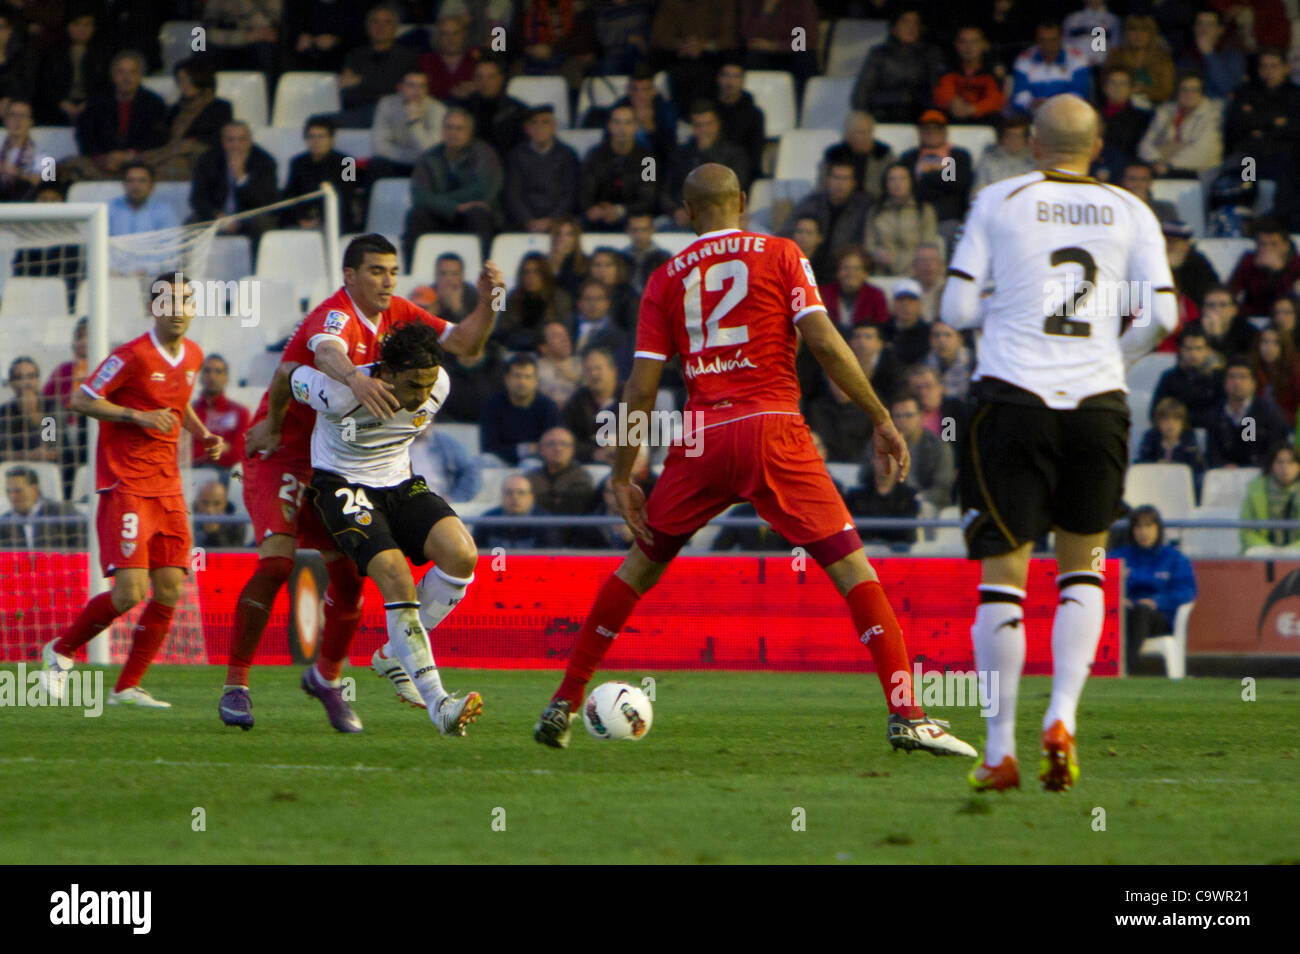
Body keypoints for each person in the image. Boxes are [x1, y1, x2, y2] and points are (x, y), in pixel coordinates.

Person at [533, 162, 977, 757]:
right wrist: (880, 416)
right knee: (852, 570)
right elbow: (822, 341)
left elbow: (639, 389)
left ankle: (563, 701)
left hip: (702, 439)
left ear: (688, 213)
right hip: (772, 428)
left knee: (639, 566)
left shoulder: (665, 277)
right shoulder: (783, 253)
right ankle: (907, 714)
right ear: (742, 202)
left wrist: (621, 474)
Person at [941, 92, 1180, 791]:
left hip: (1013, 401)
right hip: (1098, 406)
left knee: (1003, 581)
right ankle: (1065, 714)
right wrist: (1117, 360)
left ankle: (997, 748)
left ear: (1032, 147)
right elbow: (1163, 315)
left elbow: (955, 309)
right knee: (1085, 569)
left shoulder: (999, 199)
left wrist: (1002, 309)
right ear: (1098, 146)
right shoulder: (1132, 210)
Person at [230, 234, 504, 730]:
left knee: (355, 584)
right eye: (376, 270)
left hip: (380, 472)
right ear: (349, 276)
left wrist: (488, 304)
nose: (387, 280)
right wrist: (350, 383)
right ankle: (237, 683)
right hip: (293, 452)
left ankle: (328, 679)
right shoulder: (335, 317)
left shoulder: (403, 319)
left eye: (393, 271)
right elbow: (310, 361)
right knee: (276, 565)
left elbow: (464, 342)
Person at [278, 320, 482, 734]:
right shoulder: (338, 393)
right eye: (412, 386)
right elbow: (286, 374)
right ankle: (439, 703)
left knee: (463, 555)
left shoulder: (438, 384)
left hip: (399, 483)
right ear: (385, 373)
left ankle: (394, 655)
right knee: (395, 576)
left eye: (427, 385)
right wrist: (269, 424)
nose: (421, 396)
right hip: (342, 485)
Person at [40, 275, 228, 708]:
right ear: (154, 308)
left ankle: (128, 685)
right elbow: (82, 400)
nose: (178, 309)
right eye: (169, 302)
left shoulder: (194, 355)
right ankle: (61, 651)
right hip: (127, 486)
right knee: (129, 593)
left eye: (186, 300)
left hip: (169, 490)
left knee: (169, 589)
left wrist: (202, 434)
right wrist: (137, 416)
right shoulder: (132, 355)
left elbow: (177, 408)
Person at [404, 108, 502, 263]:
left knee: (479, 214)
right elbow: (420, 196)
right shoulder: (429, 157)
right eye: (449, 127)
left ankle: (483, 271)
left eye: (459, 128)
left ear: (470, 132)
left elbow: (482, 190)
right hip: (440, 216)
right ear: (442, 130)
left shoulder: (485, 154)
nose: (453, 133)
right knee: (417, 216)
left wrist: (441, 201)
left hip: (473, 216)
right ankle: (412, 271)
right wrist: (455, 207)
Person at [1112, 505, 1196, 673]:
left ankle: (1123, 670)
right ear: (1132, 531)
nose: (1144, 532)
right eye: (1138, 527)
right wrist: (1118, 597)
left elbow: (1186, 592)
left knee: (1142, 610)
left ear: (1158, 529)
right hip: (1123, 614)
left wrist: (1157, 602)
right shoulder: (1118, 556)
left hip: (1159, 618)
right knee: (1123, 611)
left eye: (1149, 526)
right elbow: (1101, 583)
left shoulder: (1174, 558)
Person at [66, 50, 167, 181]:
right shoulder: (96, 102)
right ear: (113, 76)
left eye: (132, 72)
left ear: (140, 75)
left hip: (140, 161)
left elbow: (157, 137)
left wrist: (128, 156)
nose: (127, 77)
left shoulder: (154, 103)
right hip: (102, 163)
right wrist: (102, 158)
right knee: (67, 168)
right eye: (121, 72)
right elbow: (85, 134)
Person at [136, 57, 234, 182]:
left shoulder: (220, 107)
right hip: (170, 153)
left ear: (200, 78)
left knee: (166, 168)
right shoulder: (176, 109)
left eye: (187, 79)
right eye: (180, 80)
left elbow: (218, 138)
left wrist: (186, 146)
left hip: (198, 156)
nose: (183, 84)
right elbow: (161, 135)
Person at [189, 121, 279, 244]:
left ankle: (259, 263)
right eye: (231, 140)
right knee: (192, 223)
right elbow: (197, 198)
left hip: (248, 218)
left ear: (250, 141)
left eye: (242, 140)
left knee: (263, 222)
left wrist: (241, 178)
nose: (236, 145)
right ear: (223, 141)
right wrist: (216, 216)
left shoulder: (265, 162)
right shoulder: (208, 160)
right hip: (217, 217)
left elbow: (265, 202)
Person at [851, 9, 945, 124]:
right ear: (893, 28)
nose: (911, 27)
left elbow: (935, 89)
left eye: (915, 23)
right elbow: (861, 93)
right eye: (906, 22)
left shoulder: (930, 53)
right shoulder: (878, 54)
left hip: (920, 117)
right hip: (881, 115)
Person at [862, 394, 954, 509]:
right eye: (897, 416)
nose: (902, 421)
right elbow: (865, 476)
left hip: (924, 505)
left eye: (908, 415)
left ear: (921, 416)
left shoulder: (938, 447)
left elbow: (943, 488)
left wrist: (917, 499)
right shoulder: (878, 443)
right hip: (883, 501)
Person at [335, 4, 419, 128]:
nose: (381, 27)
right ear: (367, 26)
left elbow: (403, 89)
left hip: (393, 112)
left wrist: (361, 81)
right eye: (375, 22)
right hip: (359, 111)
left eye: (387, 22)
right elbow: (348, 90)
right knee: (321, 121)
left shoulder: (408, 57)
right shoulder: (355, 55)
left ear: (395, 27)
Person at [579, 105, 657, 232]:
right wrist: (596, 208)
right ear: (609, 125)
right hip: (599, 217)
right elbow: (585, 192)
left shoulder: (648, 159)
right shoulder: (594, 156)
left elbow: (648, 198)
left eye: (628, 123)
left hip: (632, 217)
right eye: (617, 122)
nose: (622, 128)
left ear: (635, 126)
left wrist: (621, 211)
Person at [784, 157, 871, 270]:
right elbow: (786, 232)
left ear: (853, 183)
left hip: (843, 268)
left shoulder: (863, 207)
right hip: (808, 263)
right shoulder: (811, 203)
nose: (840, 183)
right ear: (828, 180)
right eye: (836, 178)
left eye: (845, 178)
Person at [503, 104, 580, 232]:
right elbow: (512, 193)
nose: (540, 127)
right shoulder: (516, 155)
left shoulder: (567, 155)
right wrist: (528, 220)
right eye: (534, 123)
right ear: (527, 128)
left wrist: (552, 219)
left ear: (553, 127)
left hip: (558, 219)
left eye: (545, 122)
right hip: (524, 221)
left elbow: (570, 194)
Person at [669, 100, 751, 218]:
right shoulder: (680, 154)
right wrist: (675, 210)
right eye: (698, 125)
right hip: (685, 215)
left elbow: (735, 188)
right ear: (692, 127)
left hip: (721, 215)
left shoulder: (735, 154)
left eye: (708, 124)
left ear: (718, 124)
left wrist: (706, 153)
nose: (704, 130)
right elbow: (668, 189)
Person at [479, 354, 562, 466]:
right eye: (517, 376)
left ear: (536, 380)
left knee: (532, 465)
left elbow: (551, 444)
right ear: (507, 379)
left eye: (527, 377)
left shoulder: (547, 407)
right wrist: (523, 449)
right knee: (483, 461)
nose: (522, 382)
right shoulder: (493, 405)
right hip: (501, 460)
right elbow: (489, 447)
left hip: (535, 461)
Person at [899, 110, 973, 235]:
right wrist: (941, 179)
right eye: (927, 129)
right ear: (920, 133)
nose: (931, 133)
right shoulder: (909, 157)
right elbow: (908, 187)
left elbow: (958, 185)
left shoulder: (957, 155)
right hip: (916, 213)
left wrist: (927, 177)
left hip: (947, 216)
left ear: (945, 132)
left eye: (937, 129)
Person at [32, 8, 110, 126]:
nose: (82, 29)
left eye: (87, 25)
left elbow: (105, 85)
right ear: (69, 27)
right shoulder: (53, 52)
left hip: (91, 106)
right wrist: (62, 103)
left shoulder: (103, 54)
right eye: (77, 24)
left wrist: (88, 104)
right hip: (58, 106)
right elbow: (45, 83)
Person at [1206, 358, 1287, 468]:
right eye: (1232, 377)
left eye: (1243, 377)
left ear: (1254, 384)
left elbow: (1276, 447)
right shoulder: (1216, 413)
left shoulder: (1268, 412)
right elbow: (1212, 451)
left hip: (1261, 472)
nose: (1237, 382)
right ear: (1224, 383)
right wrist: (1223, 465)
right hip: (1224, 474)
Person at [1136, 72, 1223, 176]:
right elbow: (1144, 146)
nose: (1189, 94)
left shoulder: (1213, 114)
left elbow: (1203, 152)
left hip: (1197, 174)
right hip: (1160, 169)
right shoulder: (1165, 110)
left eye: (1194, 90)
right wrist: (1157, 160)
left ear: (1201, 92)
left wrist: (1168, 162)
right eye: (1184, 89)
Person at [283, 116, 360, 232]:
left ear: (331, 139)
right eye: (311, 137)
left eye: (321, 137)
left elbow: (347, 197)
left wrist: (321, 220)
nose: (316, 141)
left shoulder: (348, 162)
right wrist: (301, 219)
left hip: (336, 220)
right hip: (304, 219)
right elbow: (291, 194)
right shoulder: (297, 162)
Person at [864, 162, 940, 277]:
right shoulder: (875, 211)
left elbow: (928, 244)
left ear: (911, 182)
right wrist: (877, 254)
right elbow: (869, 244)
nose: (897, 183)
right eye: (892, 179)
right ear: (886, 184)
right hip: (882, 271)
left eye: (902, 179)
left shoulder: (924, 210)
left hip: (916, 272)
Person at [369, 70, 445, 180]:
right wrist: (410, 157)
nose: (417, 91)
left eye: (422, 86)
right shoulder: (386, 104)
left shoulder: (438, 110)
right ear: (400, 87)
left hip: (424, 164)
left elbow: (431, 152)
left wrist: (414, 123)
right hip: (396, 160)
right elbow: (379, 146)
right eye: (411, 85)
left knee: (436, 166)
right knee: (376, 164)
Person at [495, 252, 573, 352]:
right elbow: (502, 331)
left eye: (536, 272)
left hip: (550, 353)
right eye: (526, 272)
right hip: (516, 352)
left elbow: (563, 333)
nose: (530, 277)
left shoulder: (560, 299)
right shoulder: (513, 297)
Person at [527, 427, 596, 538]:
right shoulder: (531, 477)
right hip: (536, 535)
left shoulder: (581, 477)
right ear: (541, 450)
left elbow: (576, 506)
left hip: (573, 536)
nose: (558, 448)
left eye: (564, 444)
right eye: (551, 444)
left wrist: (542, 499)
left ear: (572, 449)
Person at [1010, 19, 1091, 113]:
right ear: (1036, 40)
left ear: (1061, 39)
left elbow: (1080, 93)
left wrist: (1052, 105)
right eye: (1043, 40)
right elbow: (1019, 95)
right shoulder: (1024, 59)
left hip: (1067, 113)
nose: (1048, 45)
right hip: (1034, 114)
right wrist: (1031, 103)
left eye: (1053, 40)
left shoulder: (1077, 58)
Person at [1151, 325, 1224, 429]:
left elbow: (1221, 414)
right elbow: (1156, 414)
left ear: (1207, 350)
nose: (1193, 353)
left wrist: (1185, 419)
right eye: (1188, 348)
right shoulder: (1169, 378)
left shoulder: (1218, 378)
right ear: (1181, 350)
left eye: (1199, 348)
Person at [455, 57, 528, 159]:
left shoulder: (517, 110)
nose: (485, 82)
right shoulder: (463, 110)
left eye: (491, 77)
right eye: (479, 77)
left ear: (501, 79)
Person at [1227, 220, 1300, 319]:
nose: (1268, 249)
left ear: (1285, 246)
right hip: (1252, 317)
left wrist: (1278, 272)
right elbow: (1232, 290)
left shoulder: (1296, 264)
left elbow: (1291, 300)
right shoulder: (1249, 261)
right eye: (1263, 244)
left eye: (1274, 244)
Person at [846, 451, 919, 549]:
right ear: (873, 461)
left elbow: (906, 534)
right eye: (880, 458)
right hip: (864, 551)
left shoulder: (909, 498)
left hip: (898, 554)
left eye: (889, 459)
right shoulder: (855, 497)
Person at [0, 465, 84, 549]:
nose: (12, 497)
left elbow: (83, 543)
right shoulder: (4, 523)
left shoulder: (63, 514)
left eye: (18, 491)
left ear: (35, 490)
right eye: (9, 491)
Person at [933, 25, 1006, 122]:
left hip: (982, 118)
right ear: (956, 45)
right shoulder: (948, 67)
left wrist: (974, 109)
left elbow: (995, 100)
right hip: (953, 115)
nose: (968, 47)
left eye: (974, 42)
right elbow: (942, 93)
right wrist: (951, 102)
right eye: (963, 42)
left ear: (983, 45)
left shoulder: (991, 70)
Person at [191, 354, 250, 471]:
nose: (212, 376)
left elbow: (238, 454)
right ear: (201, 376)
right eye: (207, 371)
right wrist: (218, 449)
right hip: (193, 471)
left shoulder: (240, 412)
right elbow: (184, 454)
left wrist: (202, 451)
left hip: (225, 473)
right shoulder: (190, 412)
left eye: (218, 372)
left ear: (226, 378)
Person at [1137, 396, 1206, 495]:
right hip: (1154, 489)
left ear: (1182, 423)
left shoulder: (1190, 443)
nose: (1170, 424)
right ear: (1158, 422)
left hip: (1181, 493)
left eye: (1175, 419)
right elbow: (1140, 467)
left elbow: (1197, 472)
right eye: (1165, 420)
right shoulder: (1150, 441)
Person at [1103, 14, 1176, 108]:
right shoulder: (1116, 55)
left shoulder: (1163, 57)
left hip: (1156, 108)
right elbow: (1106, 85)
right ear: (1126, 33)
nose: (1138, 34)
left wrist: (1144, 90)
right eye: (1133, 30)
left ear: (1151, 34)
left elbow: (1167, 91)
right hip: (1121, 107)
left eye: (1144, 30)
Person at [1094, 67, 1153, 182]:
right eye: (1113, 83)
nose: (1118, 88)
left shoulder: (1143, 118)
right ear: (1104, 88)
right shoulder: (1092, 115)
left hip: (1126, 172)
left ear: (1131, 89)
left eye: (1123, 84)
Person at [824, 113, 896, 206]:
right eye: (860, 132)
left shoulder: (884, 154)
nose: (866, 137)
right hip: (840, 204)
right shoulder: (834, 155)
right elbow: (823, 186)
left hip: (875, 205)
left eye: (869, 132)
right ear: (848, 135)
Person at [564, 347, 621, 463]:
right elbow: (568, 438)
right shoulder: (577, 401)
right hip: (588, 462)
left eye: (598, 368)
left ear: (613, 371)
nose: (593, 374)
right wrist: (593, 453)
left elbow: (649, 435)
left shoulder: (631, 397)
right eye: (588, 370)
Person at [1240, 442, 1300, 550]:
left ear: (1298, 467)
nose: (1285, 467)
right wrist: (1270, 550)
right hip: (1262, 553)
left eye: (1291, 462)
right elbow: (1246, 531)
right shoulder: (1255, 490)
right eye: (1279, 462)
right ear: (1271, 465)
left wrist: (1289, 551)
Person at [712, 60, 765, 183]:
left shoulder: (755, 115)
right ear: (718, 79)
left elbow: (754, 154)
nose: (730, 82)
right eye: (726, 75)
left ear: (743, 81)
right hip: (711, 168)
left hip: (742, 173)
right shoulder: (709, 111)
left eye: (736, 76)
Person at [1177, 7, 1246, 102]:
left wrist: (1209, 55)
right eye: (1199, 23)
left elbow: (1228, 88)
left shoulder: (1233, 56)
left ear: (1220, 30)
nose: (1203, 28)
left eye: (1210, 24)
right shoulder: (1186, 56)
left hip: (1220, 108)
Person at [474, 474, 558, 550]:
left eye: (521, 493)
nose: (515, 497)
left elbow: (551, 560)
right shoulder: (487, 521)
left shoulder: (546, 523)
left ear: (531, 497)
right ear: (502, 496)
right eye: (509, 492)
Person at [0, 357, 59, 463]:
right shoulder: (5, 412)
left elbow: (54, 449)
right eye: (19, 378)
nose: (26, 382)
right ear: (11, 383)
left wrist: (33, 414)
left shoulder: (51, 407)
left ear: (38, 380)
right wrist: (27, 455)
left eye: (31, 376)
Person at [822, 246, 888, 331]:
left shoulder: (876, 295)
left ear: (865, 273)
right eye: (846, 268)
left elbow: (882, 326)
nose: (851, 273)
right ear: (837, 271)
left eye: (857, 269)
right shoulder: (824, 292)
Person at [108, 162, 181, 237]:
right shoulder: (111, 208)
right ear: (124, 184)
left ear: (151, 186)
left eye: (142, 181)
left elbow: (172, 245)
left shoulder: (164, 212)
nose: (135, 186)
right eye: (130, 180)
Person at [420, 14, 479, 103]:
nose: (451, 39)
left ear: (464, 35)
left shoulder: (476, 60)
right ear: (438, 37)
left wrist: (476, 87)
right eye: (445, 34)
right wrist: (449, 92)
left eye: (456, 33)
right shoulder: (425, 62)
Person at [972, 114, 1035, 195]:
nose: (1014, 141)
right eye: (1009, 136)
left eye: (1018, 136)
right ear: (1001, 138)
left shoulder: (1036, 161)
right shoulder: (988, 159)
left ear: (1026, 139)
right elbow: (977, 193)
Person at [1252, 325, 1300, 427]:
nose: (1269, 347)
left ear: (1284, 346)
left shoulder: (1295, 372)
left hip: (1287, 427)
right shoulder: (1251, 370)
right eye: (1265, 342)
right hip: (1254, 427)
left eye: (1276, 343)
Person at [0, 99, 43, 201]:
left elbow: (48, 183)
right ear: (5, 120)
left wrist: (18, 174)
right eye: (13, 115)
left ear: (30, 122)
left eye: (23, 116)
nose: (18, 121)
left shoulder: (44, 154)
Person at [1199, 286, 1257, 361]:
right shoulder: (1193, 328)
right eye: (1211, 305)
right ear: (1203, 309)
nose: (1217, 309)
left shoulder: (1247, 331)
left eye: (1223, 305)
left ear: (1234, 310)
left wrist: (1219, 336)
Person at [536, 318, 582, 407]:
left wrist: (577, 379)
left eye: (565, 334)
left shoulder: (584, 364)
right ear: (543, 347)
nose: (565, 339)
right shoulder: (534, 370)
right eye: (557, 336)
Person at [924, 320, 974, 400]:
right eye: (936, 336)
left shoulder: (974, 364)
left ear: (960, 340)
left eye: (948, 335)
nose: (941, 340)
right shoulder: (924, 365)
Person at [883, 280, 931, 365]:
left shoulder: (929, 333)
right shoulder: (881, 331)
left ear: (920, 305)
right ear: (893, 303)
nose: (906, 305)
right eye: (901, 300)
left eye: (911, 301)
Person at [622, 213, 671, 294]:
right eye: (634, 230)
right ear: (627, 230)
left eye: (644, 230)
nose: (639, 235)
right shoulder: (620, 257)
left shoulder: (663, 258)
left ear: (652, 230)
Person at [193, 479, 246, 549]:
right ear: (198, 501)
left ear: (225, 503)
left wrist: (215, 533)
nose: (210, 509)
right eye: (205, 502)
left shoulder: (237, 524)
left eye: (216, 504)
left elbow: (235, 555)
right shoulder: (187, 520)